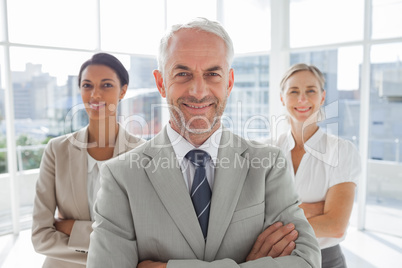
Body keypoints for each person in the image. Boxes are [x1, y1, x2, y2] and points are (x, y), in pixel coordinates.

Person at [87, 18, 320, 268]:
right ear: (160, 83)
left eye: (212, 74)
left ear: (229, 82)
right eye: (183, 74)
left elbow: (306, 262)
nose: (198, 91)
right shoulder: (120, 176)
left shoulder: (269, 165)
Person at [31, 53, 145, 268]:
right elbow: (40, 236)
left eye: (107, 85)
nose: (95, 95)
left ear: (123, 90)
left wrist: (72, 228)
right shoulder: (57, 150)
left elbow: (144, 236)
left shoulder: (143, 154)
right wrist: (112, 252)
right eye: (87, 85)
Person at [275, 63, 361, 268]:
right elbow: (250, 214)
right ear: (282, 99)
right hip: (276, 259)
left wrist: (280, 216)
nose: (302, 99)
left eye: (310, 91)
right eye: (293, 91)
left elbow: (336, 226)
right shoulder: (267, 149)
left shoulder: (340, 150)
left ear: (322, 97)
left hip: (325, 260)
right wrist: (313, 210)